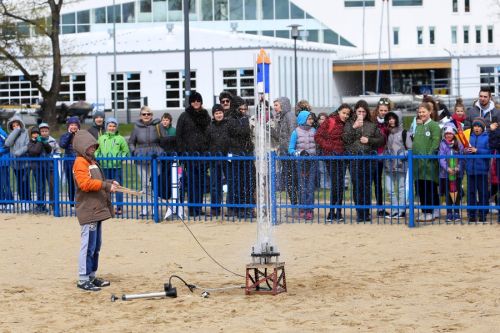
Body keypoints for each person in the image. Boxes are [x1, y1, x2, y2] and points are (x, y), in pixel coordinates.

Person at [73, 129, 118, 291]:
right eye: (90, 146)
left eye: (94, 146)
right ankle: (83, 278)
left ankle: (91, 275)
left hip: (97, 208)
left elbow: (98, 181)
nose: (93, 148)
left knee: (96, 244)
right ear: (82, 146)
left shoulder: (92, 162)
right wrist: (106, 185)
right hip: (88, 209)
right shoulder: (80, 162)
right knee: (88, 244)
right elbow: (85, 184)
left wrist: (110, 182)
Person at [343, 100, 384, 222]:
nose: (361, 113)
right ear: (355, 111)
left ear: (367, 112)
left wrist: (369, 140)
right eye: (359, 111)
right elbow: (345, 139)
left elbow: (381, 140)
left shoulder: (372, 125)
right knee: (357, 186)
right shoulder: (350, 123)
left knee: (367, 186)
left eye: (363, 111)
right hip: (354, 159)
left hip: (369, 159)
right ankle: (359, 212)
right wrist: (354, 127)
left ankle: (366, 212)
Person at [176, 92, 211, 217]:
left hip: (203, 155)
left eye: (198, 100)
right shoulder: (184, 116)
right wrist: (182, 153)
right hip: (189, 155)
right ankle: (192, 209)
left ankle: (199, 207)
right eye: (193, 101)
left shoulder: (206, 116)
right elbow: (179, 135)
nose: (196, 103)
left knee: (200, 183)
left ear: (201, 102)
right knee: (191, 183)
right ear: (190, 102)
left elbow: (209, 134)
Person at [315, 104, 351, 222]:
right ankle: (332, 211)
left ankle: (338, 211)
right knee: (336, 183)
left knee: (340, 184)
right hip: (331, 157)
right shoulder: (330, 121)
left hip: (343, 157)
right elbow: (318, 136)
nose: (345, 115)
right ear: (339, 111)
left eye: (347, 114)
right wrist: (329, 147)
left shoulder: (348, 124)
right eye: (344, 113)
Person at [128, 106, 163, 216]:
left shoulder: (158, 125)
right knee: (145, 183)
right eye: (144, 114)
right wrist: (134, 152)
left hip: (155, 156)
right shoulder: (136, 128)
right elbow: (131, 142)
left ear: (152, 115)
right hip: (141, 157)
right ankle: (145, 206)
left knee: (155, 182)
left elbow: (164, 139)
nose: (146, 116)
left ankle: (155, 206)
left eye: (148, 114)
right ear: (140, 116)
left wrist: (161, 151)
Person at [227, 96, 255, 218]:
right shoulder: (231, 120)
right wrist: (245, 122)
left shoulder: (247, 119)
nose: (243, 110)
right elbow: (240, 132)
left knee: (248, 183)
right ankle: (235, 208)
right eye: (241, 108)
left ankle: (247, 208)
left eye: (245, 108)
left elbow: (250, 134)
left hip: (247, 154)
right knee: (236, 183)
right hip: (236, 155)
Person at [412, 103, 441, 222]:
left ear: (430, 112)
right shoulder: (418, 126)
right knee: (420, 188)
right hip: (417, 164)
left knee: (430, 187)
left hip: (429, 163)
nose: (421, 114)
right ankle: (424, 211)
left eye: (423, 112)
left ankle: (430, 211)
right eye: (419, 112)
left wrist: (428, 156)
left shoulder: (434, 126)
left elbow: (435, 143)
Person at [96, 117, 130, 215]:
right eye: (110, 126)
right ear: (106, 127)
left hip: (116, 167)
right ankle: (107, 206)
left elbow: (125, 151)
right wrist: (100, 158)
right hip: (104, 167)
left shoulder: (120, 138)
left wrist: (119, 158)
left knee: (117, 186)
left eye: (114, 126)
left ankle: (119, 207)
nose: (112, 128)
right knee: (106, 187)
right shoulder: (101, 138)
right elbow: (97, 150)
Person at [271, 97, 297, 214]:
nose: (274, 107)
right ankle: (294, 205)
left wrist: (290, 150)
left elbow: (292, 133)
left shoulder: (289, 116)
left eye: (276, 105)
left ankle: (297, 205)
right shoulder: (281, 117)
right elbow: (280, 136)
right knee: (289, 180)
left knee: (293, 180)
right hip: (284, 152)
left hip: (289, 153)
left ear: (282, 105)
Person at [289, 110, 317, 220]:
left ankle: (309, 209)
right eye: (309, 119)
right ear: (303, 119)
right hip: (301, 163)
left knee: (310, 187)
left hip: (312, 162)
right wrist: (299, 153)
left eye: (311, 118)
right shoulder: (295, 132)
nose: (312, 120)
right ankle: (302, 208)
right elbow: (290, 149)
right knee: (302, 187)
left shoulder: (314, 131)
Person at [383, 111, 411, 219]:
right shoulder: (388, 133)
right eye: (389, 119)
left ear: (398, 119)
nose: (391, 120)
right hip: (388, 165)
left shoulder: (405, 133)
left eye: (393, 118)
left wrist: (403, 154)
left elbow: (410, 149)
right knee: (389, 189)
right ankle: (395, 209)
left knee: (401, 188)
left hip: (401, 165)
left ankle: (401, 210)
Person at [465, 118, 490, 222]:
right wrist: (466, 151)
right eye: (475, 126)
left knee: (483, 193)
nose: (477, 128)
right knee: (471, 193)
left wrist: (477, 150)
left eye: (479, 126)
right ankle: (471, 214)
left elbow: (489, 152)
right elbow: (464, 150)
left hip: (482, 171)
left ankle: (482, 214)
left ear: (483, 128)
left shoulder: (487, 138)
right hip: (470, 171)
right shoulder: (468, 138)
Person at [438, 125, 465, 222]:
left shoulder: (459, 144)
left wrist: (458, 167)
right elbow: (441, 158)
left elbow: (462, 158)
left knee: (456, 193)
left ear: (454, 134)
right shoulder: (442, 144)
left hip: (457, 174)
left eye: (450, 133)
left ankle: (457, 212)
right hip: (445, 174)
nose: (448, 135)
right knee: (448, 193)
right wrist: (447, 168)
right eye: (447, 134)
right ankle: (449, 212)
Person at [207, 104, 229, 216]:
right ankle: (215, 208)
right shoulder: (210, 127)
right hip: (214, 159)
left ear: (223, 113)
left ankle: (231, 208)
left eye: (220, 112)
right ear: (213, 115)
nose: (219, 115)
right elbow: (207, 142)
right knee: (215, 185)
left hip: (226, 159)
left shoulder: (228, 125)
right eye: (216, 113)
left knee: (230, 183)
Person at [5, 116, 30, 212]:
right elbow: (7, 144)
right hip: (15, 164)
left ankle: (28, 202)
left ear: (20, 124)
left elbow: (28, 145)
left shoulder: (26, 133)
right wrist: (15, 132)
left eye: (17, 124)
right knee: (19, 183)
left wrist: (19, 152)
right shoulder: (12, 134)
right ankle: (23, 201)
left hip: (25, 162)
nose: (15, 126)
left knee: (25, 182)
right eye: (13, 125)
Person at [371, 97, 391, 217]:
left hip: (386, 156)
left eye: (385, 110)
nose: (383, 112)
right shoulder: (373, 122)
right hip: (374, 156)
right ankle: (373, 208)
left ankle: (381, 208)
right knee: (375, 182)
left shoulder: (390, 122)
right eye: (381, 110)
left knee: (383, 184)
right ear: (378, 110)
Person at [27, 126, 52, 213]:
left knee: (44, 186)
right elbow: (35, 151)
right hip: (36, 167)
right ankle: (40, 205)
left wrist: (45, 142)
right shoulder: (30, 143)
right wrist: (39, 142)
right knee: (39, 186)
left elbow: (49, 150)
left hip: (44, 166)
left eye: (37, 133)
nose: (36, 135)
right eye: (34, 133)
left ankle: (43, 204)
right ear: (31, 135)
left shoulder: (42, 141)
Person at [38, 122, 61, 209]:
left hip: (51, 166)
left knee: (53, 184)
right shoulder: (37, 140)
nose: (44, 133)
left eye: (46, 131)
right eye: (42, 131)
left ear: (49, 131)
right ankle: (41, 204)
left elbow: (58, 151)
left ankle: (53, 203)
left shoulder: (53, 140)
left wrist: (55, 155)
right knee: (41, 185)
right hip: (40, 166)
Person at [59, 116, 80, 207]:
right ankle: (71, 202)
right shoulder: (65, 135)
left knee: (80, 182)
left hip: (79, 162)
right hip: (69, 163)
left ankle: (79, 201)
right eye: (71, 125)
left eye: (75, 125)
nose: (73, 127)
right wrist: (69, 134)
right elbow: (63, 144)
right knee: (70, 183)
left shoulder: (81, 135)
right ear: (69, 126)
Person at [156, 112, 177, 204]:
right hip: (162, 157)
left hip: (171, 156)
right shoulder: (158, 130)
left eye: (167, 120)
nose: (165, 122)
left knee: (173, 177)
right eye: (163, 120)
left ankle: (173, 196)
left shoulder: (173, 130)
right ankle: (162, 194)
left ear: (170, 121)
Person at [0, 124, 13, 211]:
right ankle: (1, 202)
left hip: (3, 162)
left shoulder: (1, 132)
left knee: (5, 183)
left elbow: (8, 146)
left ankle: (10, 202)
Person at [316, 112, 330, 189]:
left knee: (328, 171)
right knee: (322, 171)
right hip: (320, 153)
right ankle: (323, 185)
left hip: (327, 152)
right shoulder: (316, 129)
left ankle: (329, 186)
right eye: (321, 119)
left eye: (324, 119)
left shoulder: (329, 129)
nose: (322, 121)